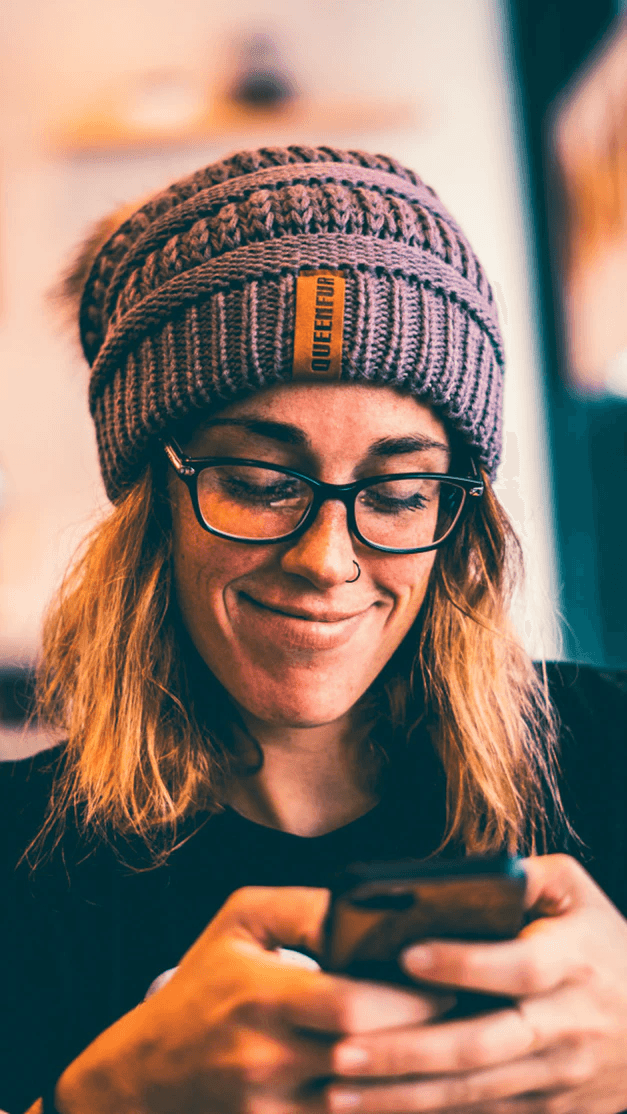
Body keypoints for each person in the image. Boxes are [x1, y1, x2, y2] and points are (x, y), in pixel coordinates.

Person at [2, 144, 627, 1114]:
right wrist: (102, 1101)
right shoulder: (21, 862)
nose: (328, 559)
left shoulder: (609, 755)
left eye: (398, 491)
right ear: (154, 499)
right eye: (260, 483)